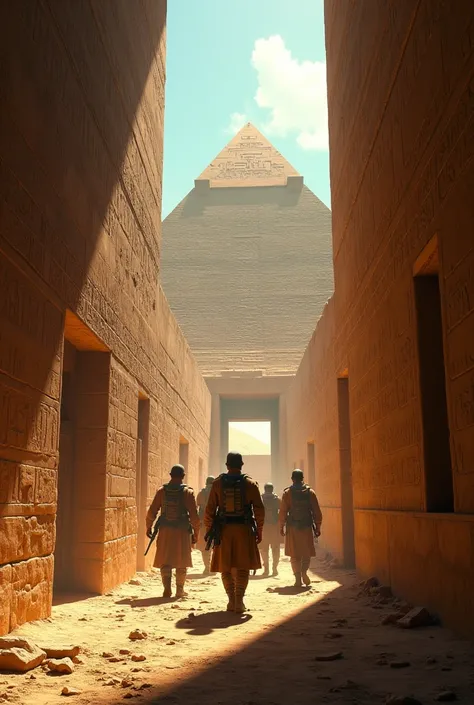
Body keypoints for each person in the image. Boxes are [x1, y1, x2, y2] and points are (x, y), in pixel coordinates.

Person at [204, 452, 264, 613]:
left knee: (226, 567)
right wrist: (259, 530)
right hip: (244, 531)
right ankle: (239, 601)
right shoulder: (251, 484)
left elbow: (209, 510)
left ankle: (231, 600)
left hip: (223, 531)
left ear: (227, 465)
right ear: (242, 465)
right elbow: (259, 510)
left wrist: (210, 530)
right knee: (243, 567)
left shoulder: (217, 484)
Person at [146, 464, 200, 598]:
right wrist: (196, 533)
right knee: (182, 561)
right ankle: (180, 590)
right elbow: (194, 516)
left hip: (165, 530)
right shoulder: (188, 492)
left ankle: (167, 589)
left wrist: (149, 526)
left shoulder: (161, 491)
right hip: (182, 531)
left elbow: (152, 511)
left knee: (166, 559)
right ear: (183, 476)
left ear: (170, 475)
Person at [279, 469, 322, 587]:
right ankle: (304, 572)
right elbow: (316, 511)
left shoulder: (287, 493)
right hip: (307, 526)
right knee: (306, 552)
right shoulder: (310, 492)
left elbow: (283, 511)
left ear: (292, 479)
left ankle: (297, 577)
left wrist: (281, 526)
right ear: (303, 478)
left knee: (294, 554)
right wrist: (318, 526)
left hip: (292, 527)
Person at [260, 482, 281, 576]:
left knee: (264, 549)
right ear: (272, 489)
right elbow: (283, 511)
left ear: (265, 489)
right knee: (275, 549)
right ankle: (275, 569)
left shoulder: (260, 499)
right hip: (275, 527)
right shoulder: (277, 499)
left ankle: (266, 569)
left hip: (264, 527)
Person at [195, 475, 215, 574]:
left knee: (205, 546)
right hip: (215, 522)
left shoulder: (201, 493)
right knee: (216, 545)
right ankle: (214, 567)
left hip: (203, 523)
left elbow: (197, 505)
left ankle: (207, 567)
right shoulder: (217, 492)